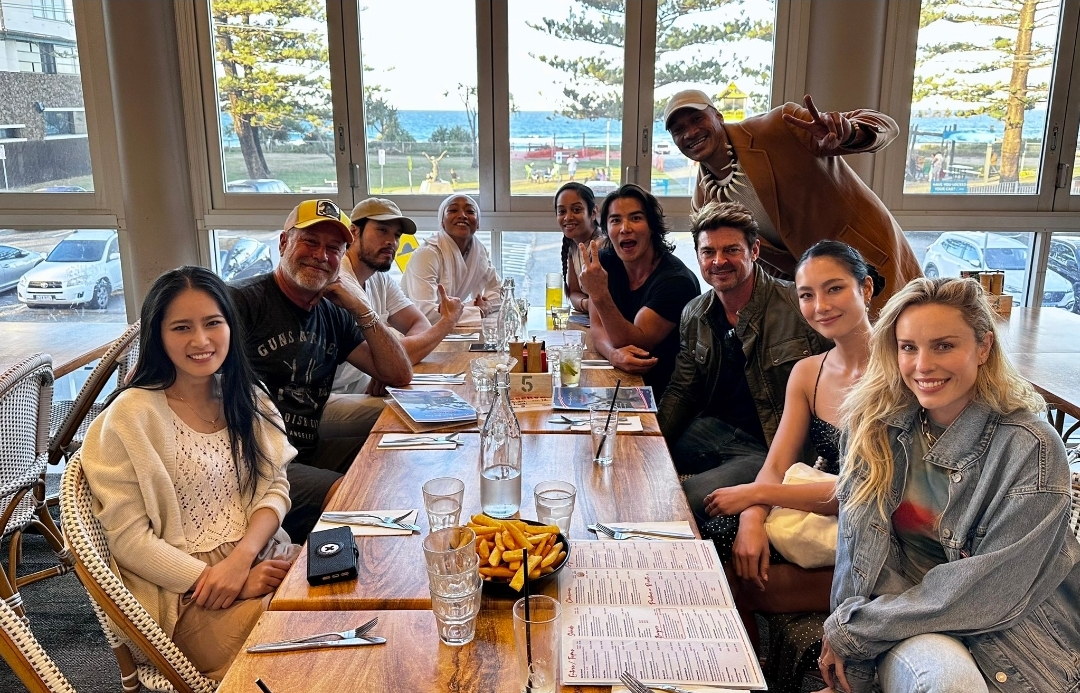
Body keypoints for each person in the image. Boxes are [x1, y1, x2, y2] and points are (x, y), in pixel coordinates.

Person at [818, 277, 1080, 693]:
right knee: (946, 682)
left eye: (943, 346)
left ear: (983, 347)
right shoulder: (872, 427)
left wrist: (855, 629)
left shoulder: (1032, 447)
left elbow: (992, 591)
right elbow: (855, 557)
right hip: (901, 619)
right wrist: (850, 650)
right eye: (908, 347)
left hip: (1010, 635)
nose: (922, 366)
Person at [81, 266, 299, 680]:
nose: (200, 340)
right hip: (183, 599)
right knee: (295, 639)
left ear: (230, 326)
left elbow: (275, 486)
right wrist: (225, 580)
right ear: (158, 336)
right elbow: (129, 541)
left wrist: (242, 560)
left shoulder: (247, 396)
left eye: (213, 323)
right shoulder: (130, 417)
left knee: (339, 595)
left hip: (260, 556)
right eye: (181, 327)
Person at [699, 241, 881, 660]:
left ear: (866, 288)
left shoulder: (900, 373)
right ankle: (741, 669)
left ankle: (744, 668)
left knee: (729, 580)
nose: (821, 306)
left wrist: (756, 494)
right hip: (816, 518)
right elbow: (778, 461)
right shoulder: (808, 371)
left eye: (834, 289)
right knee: (722, 535)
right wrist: (751, 518)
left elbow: (862, 494)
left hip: (870, 541)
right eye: (807, 295)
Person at [229, 199, 412, 540]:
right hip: (256, 463)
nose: (320, 255)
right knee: (355, 497)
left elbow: (398, 374)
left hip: (305, 450)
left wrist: (362, 308)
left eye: (333, 249)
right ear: (283, 243)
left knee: (392, 452)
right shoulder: (241, 302)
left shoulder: (334, 312)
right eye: (310, 242)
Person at [664, 90, 920, 313]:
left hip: (868, 260)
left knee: (902, 340)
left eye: (697, 119)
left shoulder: (778, 126)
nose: (691, 132)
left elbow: (886, 125)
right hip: (817, 291)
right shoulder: (704, 203)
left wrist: (849, 132)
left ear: (718, 116)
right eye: (678, 130)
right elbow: (762, 258)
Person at [658, 202, 830, 520]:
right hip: (712, 432)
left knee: (682, 500)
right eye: (708, 252)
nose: (719, 261)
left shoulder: (799, 306)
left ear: (754, 251)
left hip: (769, 447)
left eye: (731, 250)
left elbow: (844, 373)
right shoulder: (695, 313)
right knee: (633, 462)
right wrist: (651, 442)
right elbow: (683, 390)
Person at [578, 183, 699, 398]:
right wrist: (613, 355)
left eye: (635, 218)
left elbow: (635, 344)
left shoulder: (677, 281)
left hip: (665, 394)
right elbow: (597, 328)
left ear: (652, 226)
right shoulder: (605, 262)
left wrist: (600, 294)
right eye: (615, 220)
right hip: (621, 381)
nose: (625, 228)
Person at [333, 198, 464, 396]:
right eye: (382, 230)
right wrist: (448, 322)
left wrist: (390, 363)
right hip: (335, 395)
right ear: (354, 232)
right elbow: (393, 359)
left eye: (397, 235)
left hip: (367, 389)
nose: (391, 242)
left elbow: (419, 322)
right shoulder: (340, 281)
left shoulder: (379, 278)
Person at [400, 193, 502, 329]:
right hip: (410, 330)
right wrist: (477, 310)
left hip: (446, 329)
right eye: (453, 210)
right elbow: (425, 313)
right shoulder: (427, 254)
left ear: (478, 223)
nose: (462, 215)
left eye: (470, 211)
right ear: (442, 222)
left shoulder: (478, 251)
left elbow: (501, 291)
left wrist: (487, 305)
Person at [555, 182, 604, 314]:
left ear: (593, 212)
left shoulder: (603, 246)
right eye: (562, 211)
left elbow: (606, 301)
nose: (568, 217)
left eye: (576, 210)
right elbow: (574, 293)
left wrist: (587, 304)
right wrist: (586, 304)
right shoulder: (573, 244)